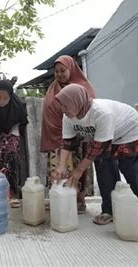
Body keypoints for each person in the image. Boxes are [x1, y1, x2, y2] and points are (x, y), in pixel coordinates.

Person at [53, 83, 138, 227]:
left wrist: (79, 170)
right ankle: (109, 210)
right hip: (101, 136)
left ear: (76, 101)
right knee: (104, 169)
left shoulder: (101, 113)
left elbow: (98, 147)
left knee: (133, 171)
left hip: (126, 131)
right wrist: (60, 167)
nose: (63, 109)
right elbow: (67, 142)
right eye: (61, 105)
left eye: (65, 105)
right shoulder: (68, 116)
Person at [40, 55, 96, 213]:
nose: (59, 74)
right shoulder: (53, 87)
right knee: (58, 168)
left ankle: (79, 201)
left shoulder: (82, 85)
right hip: (56, 135)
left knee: (78, 167)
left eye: (63, 70)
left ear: (71, 68)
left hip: (78, 135)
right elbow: (50, 109)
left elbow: (89, 109)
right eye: (56, 71)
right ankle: (59, 198)